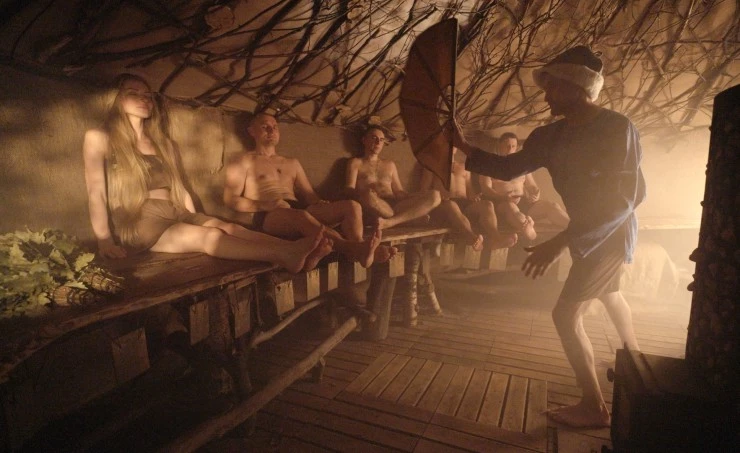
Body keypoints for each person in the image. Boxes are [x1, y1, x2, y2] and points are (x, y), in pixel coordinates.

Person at [454, 46, 646, 428]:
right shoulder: (549, 135)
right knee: (609, 293)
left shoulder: (617, 128)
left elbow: (626, 198)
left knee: (565, 314)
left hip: (610, 232)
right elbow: (508, 168)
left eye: (553, 87)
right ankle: (638, 369)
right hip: (585, 230)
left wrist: (559, 242)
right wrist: (461, 146)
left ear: (578, 88)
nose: (546, 97)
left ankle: (594, 405)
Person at [83, 74, 332, 274]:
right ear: (116, 98)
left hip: (174, 210)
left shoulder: (162, 143)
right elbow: (96, 192)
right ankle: (284, 254)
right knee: (210, 237)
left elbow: (180, 188)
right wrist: (104, 240)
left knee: (229, 228)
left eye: (147, 95)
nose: (143, 99)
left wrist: (193, 217)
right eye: (133, 93)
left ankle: (297, 251)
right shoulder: (100, 137)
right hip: (140, 220)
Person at [223, 113, 395, 268]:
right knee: (301, 216)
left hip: (297, 208)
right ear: (252, 131)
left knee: (352, 206)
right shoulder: (243, 161)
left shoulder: (291, 162)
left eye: (275, 127)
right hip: (268, 214)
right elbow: (230, 199)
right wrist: (268, 204)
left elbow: (309, 195)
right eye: (265, 126)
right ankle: (354, 249)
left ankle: (360, 247)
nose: (271, 130)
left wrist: (319, 203)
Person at [420, 147, 518, 250]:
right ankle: (473, 239)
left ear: (456, 149)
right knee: (452, 205)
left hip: (464, 203)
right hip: (444, 203)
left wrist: (474, 197)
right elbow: (424, 190)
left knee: (487, 204)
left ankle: (496, 238)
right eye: (446, 144)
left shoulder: (464, 167)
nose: (450, 147)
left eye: (453, 145)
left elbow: (470, 191)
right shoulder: (432, 166)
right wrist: (438, 196)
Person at [345, 125, 441, 229]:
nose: (378, 142)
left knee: (435, 195)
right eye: (374, 138)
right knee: (368, 196)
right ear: (364, 140)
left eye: (381, 140)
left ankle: (391, 222)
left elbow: (399, 192)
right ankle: (408, 218)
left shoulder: (390, 165)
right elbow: (349, 189)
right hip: (373, 204)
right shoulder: (355, 163)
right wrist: (365, 192)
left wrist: (415, 197)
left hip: (395, 205)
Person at [479, 133, 570, 239]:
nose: (510, 149)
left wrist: (535, 193)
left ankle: (576, 229)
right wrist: (503, 197)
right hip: (503, 204)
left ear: (516, 147)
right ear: (499, 145)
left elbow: (532, 186)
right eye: (507, 146)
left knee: (552, 206)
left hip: (524, 203)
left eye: (513, 146)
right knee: (512, 209)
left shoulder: (522, 165)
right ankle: (531, 233)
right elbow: (486, 189)